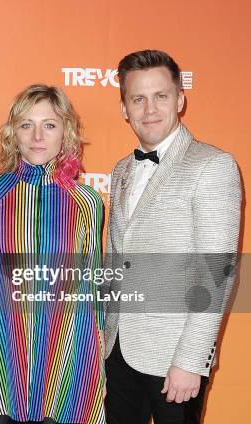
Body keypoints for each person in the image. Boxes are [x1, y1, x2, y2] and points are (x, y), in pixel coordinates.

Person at [104, 50, 241, 424]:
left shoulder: (212, 165)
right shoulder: (121, 170)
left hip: (175, 358)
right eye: (138, 98)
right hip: (118, 351)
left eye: (161, 95)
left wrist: (190, 360)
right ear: (124, 108)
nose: (150, 108)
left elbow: (218, 271)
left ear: (180, 99)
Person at [0, 84, 105, 424]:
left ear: (65, 133)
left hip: (66, 356)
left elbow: (95, 281)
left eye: (49, 125)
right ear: (14, 133)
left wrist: (99, 345)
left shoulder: (87, 202)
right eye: (27, 125)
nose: (37, 136)